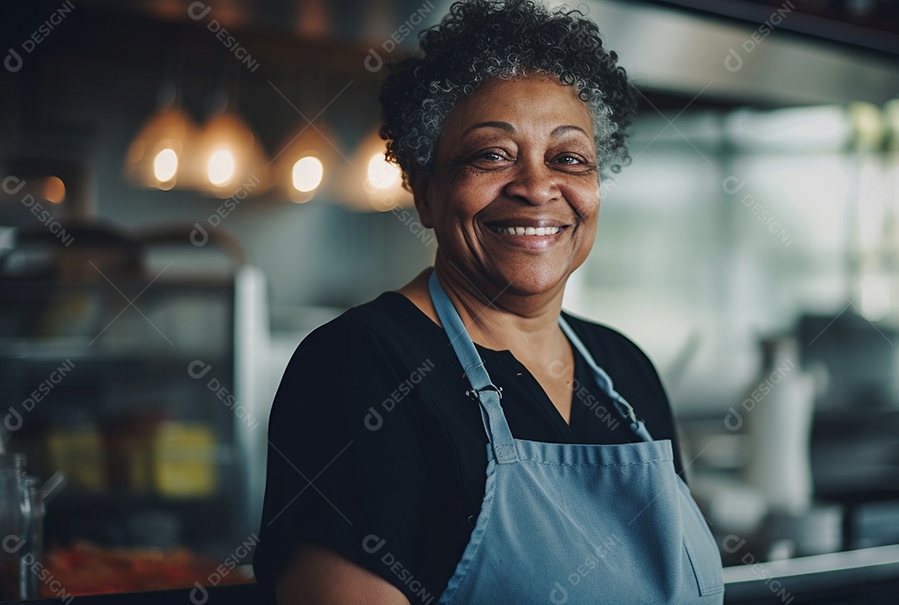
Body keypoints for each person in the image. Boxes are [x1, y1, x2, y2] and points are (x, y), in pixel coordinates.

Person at [254, 1, 725, 603]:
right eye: (492, 155)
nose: (536, 186)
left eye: (569, 158)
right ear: (426, 192)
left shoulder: (625, 369)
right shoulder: (359, 366)